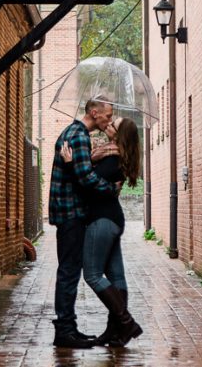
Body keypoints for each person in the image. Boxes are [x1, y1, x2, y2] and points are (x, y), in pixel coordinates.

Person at [61, 116, 143, 347]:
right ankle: (115, 331)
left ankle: (126, 323)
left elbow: (89, 186)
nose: (107, 126)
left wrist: (70, 164)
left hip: (102, 221)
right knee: (116, 276)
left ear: (119, 134)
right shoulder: (115, 155)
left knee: (93, 275)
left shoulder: (113, 158)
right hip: (112, 220)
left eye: (112, 125)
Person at [48, 98, 118, 349]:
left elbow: (80, 169)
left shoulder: (76, 134)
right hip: (71, 214)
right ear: (94, 112)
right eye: (107, 116)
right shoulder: (78, 135)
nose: (109, 120)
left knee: (70, 271)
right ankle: (65, 331)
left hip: (71, 212)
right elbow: (85, 177)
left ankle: (70, 328)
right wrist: (111, 188)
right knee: (68, 272)